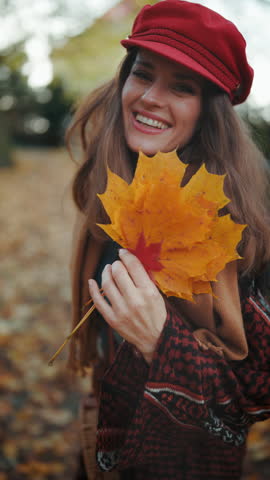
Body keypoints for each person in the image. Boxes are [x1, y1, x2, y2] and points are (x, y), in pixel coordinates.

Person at [67, 1, 270, 479]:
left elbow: (258, 391)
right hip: (103, 442)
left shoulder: (238, 226)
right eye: (143, 74)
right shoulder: (113, 185)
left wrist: (162, 340)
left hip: (187, 463)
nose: (152, 97)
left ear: (209, 111)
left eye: (183, 87)